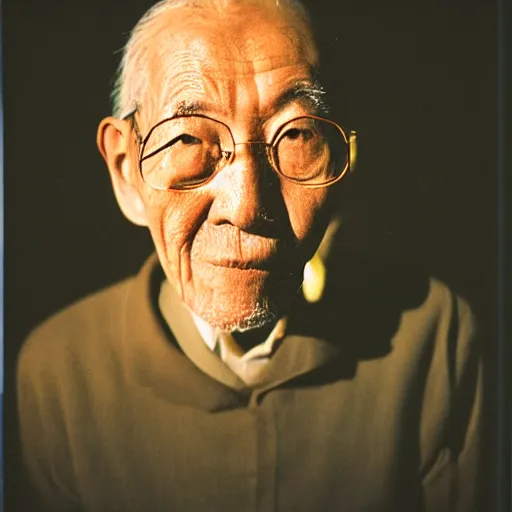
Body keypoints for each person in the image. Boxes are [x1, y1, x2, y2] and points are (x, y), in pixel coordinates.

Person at [17, 0, 483, 510]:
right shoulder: (58, 373)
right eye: (190, 137)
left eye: (297, 134)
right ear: (127, 171)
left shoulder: (432, 338)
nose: (246, 207)